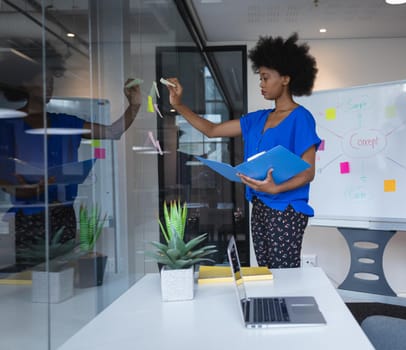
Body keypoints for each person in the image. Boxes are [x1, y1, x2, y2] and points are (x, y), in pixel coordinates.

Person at [164, 33, 321, 268]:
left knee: (284, 274)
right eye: (260, 79)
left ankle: (282, 306)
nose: (262, 84)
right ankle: (270, 306)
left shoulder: (301, 118)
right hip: (259, 205)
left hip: (286, 209)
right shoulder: (257, 119)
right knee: (266, 271)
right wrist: (178, 105)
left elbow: (308, 172)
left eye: (266, 78)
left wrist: (276, 187)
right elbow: (212, 130)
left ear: (286, 79)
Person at [0, 47, 141, 269]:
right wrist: (29, 190)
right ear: (24, 84)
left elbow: (112, 132)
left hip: (63, 211)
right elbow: (4, 178)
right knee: (34, 276)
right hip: (29, 217)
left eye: (51, 81)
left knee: (65, 274)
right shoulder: (8, 125)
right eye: (42, 80)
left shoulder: (64, 122)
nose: (49, 85)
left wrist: (134, 107)